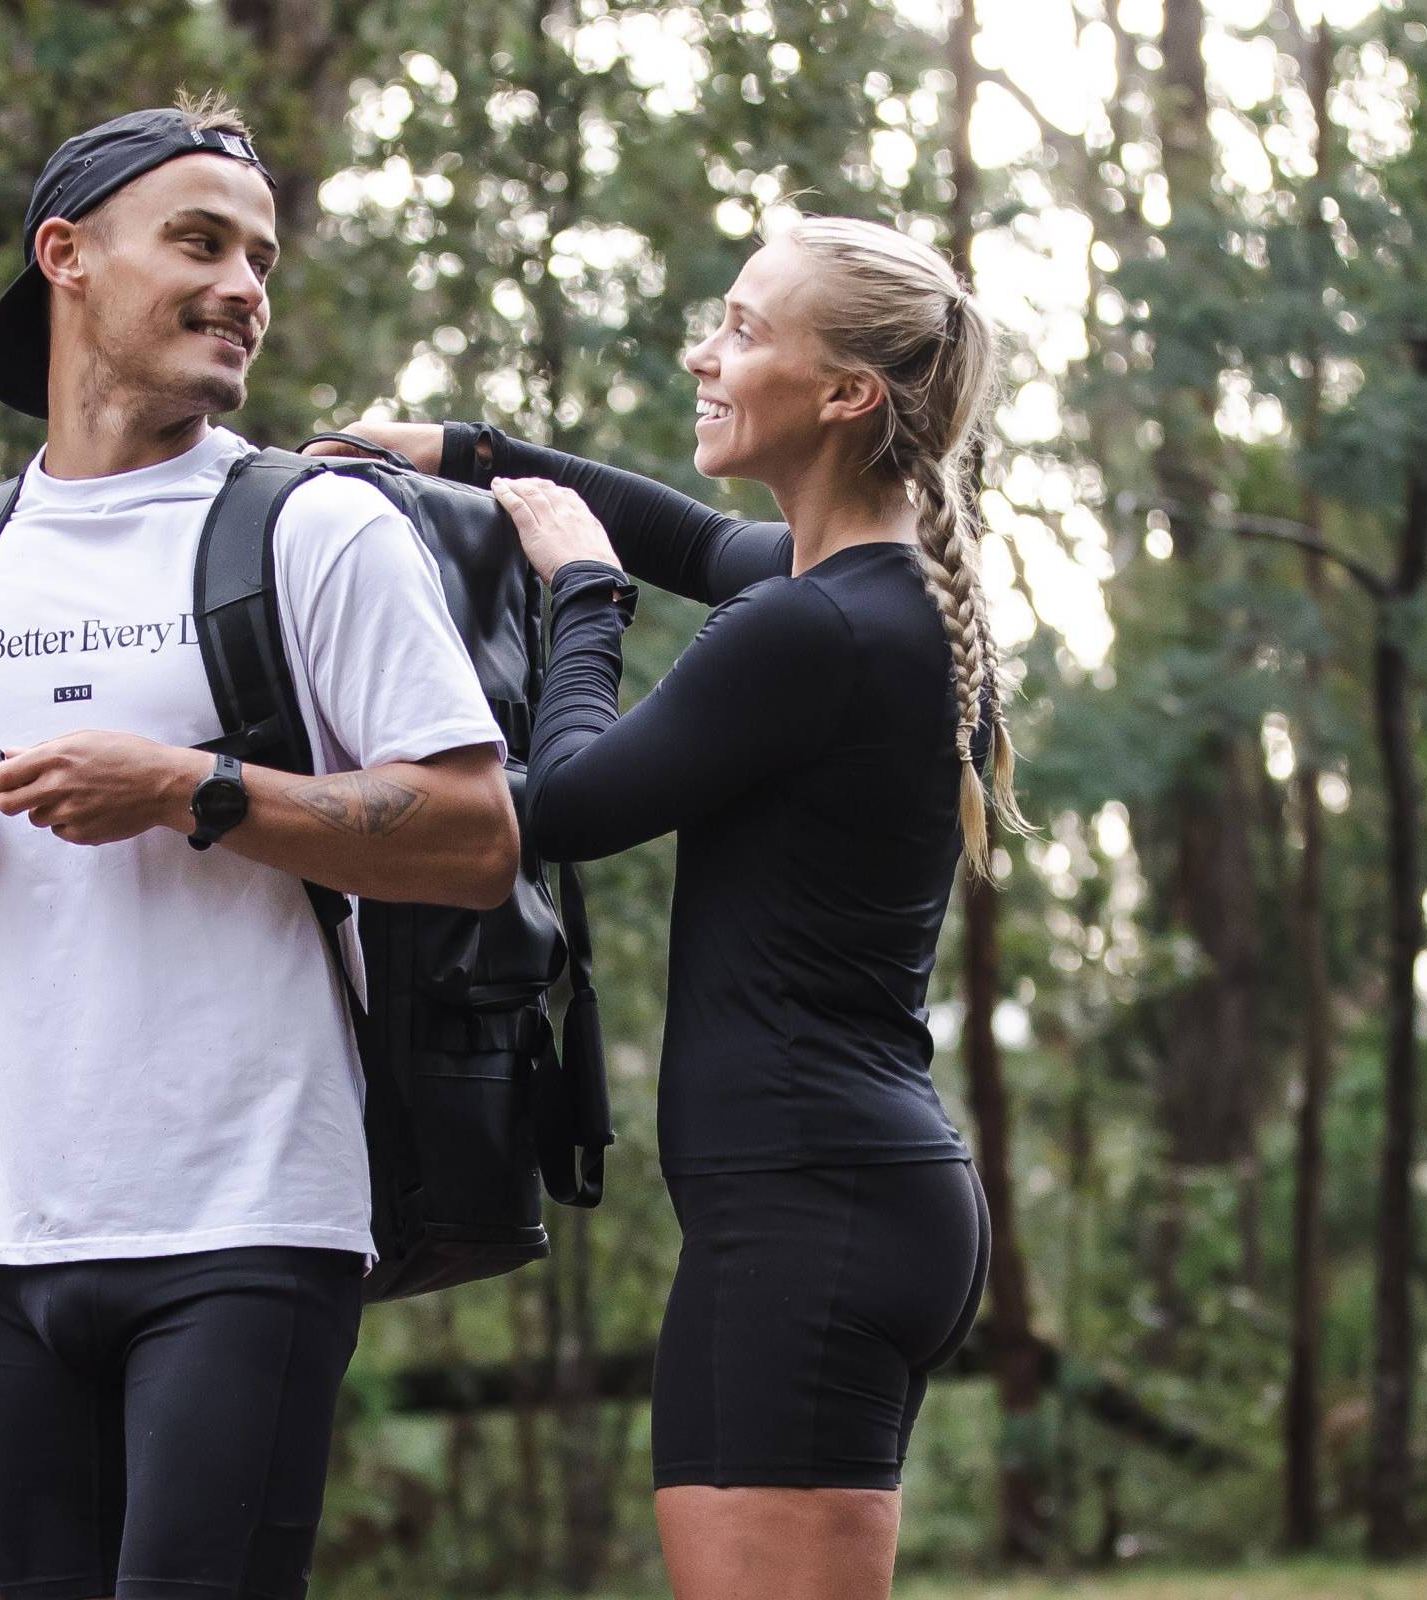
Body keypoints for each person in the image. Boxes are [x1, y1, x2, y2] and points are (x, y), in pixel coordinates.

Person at [0, 98, 518, 1600]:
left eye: (260, 256)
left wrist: (197, 791)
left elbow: (474, 836)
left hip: (250, 1216)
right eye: (198, 241)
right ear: (64, 256)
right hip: (9, 1224)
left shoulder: (316, 530)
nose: (244, 287)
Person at [321, 214, 1023, 1600]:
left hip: (811, 1205)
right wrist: (460, 451)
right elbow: (689, 535)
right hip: (813, 1199)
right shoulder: (857, 592)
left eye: (747, 331)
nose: (706, 352)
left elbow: (560, 804)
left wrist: (583, 596)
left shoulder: (817, 629)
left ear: (847, 395)